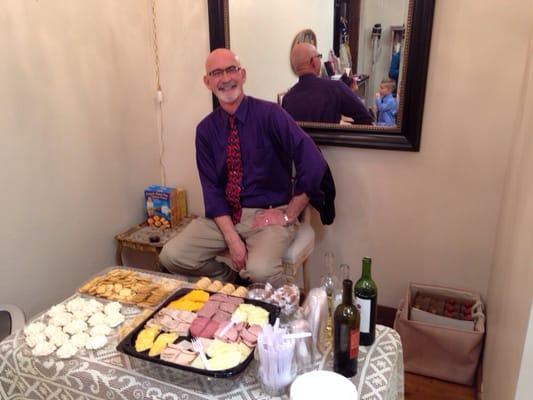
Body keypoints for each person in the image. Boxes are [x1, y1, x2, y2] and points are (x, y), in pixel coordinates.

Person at [159, 48, 329, 285]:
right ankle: (230, 283)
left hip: (267, 215)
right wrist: (232, 239)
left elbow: (313, 161)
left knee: (260, 272)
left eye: (231, 69)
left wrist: (289, 214)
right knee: (172, 256)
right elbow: (212, 190)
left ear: (243, 75)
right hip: (224, 217)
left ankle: (276, 314)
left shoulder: (271, 114)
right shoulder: (205, 131)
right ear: (207, 82)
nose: (226, 78)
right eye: (216, 73)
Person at [282, 43, 373, 125]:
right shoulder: (336, 88)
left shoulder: (287, 99)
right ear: (313, 61)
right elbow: (366, 120)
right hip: (330, 143)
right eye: (319, 56)